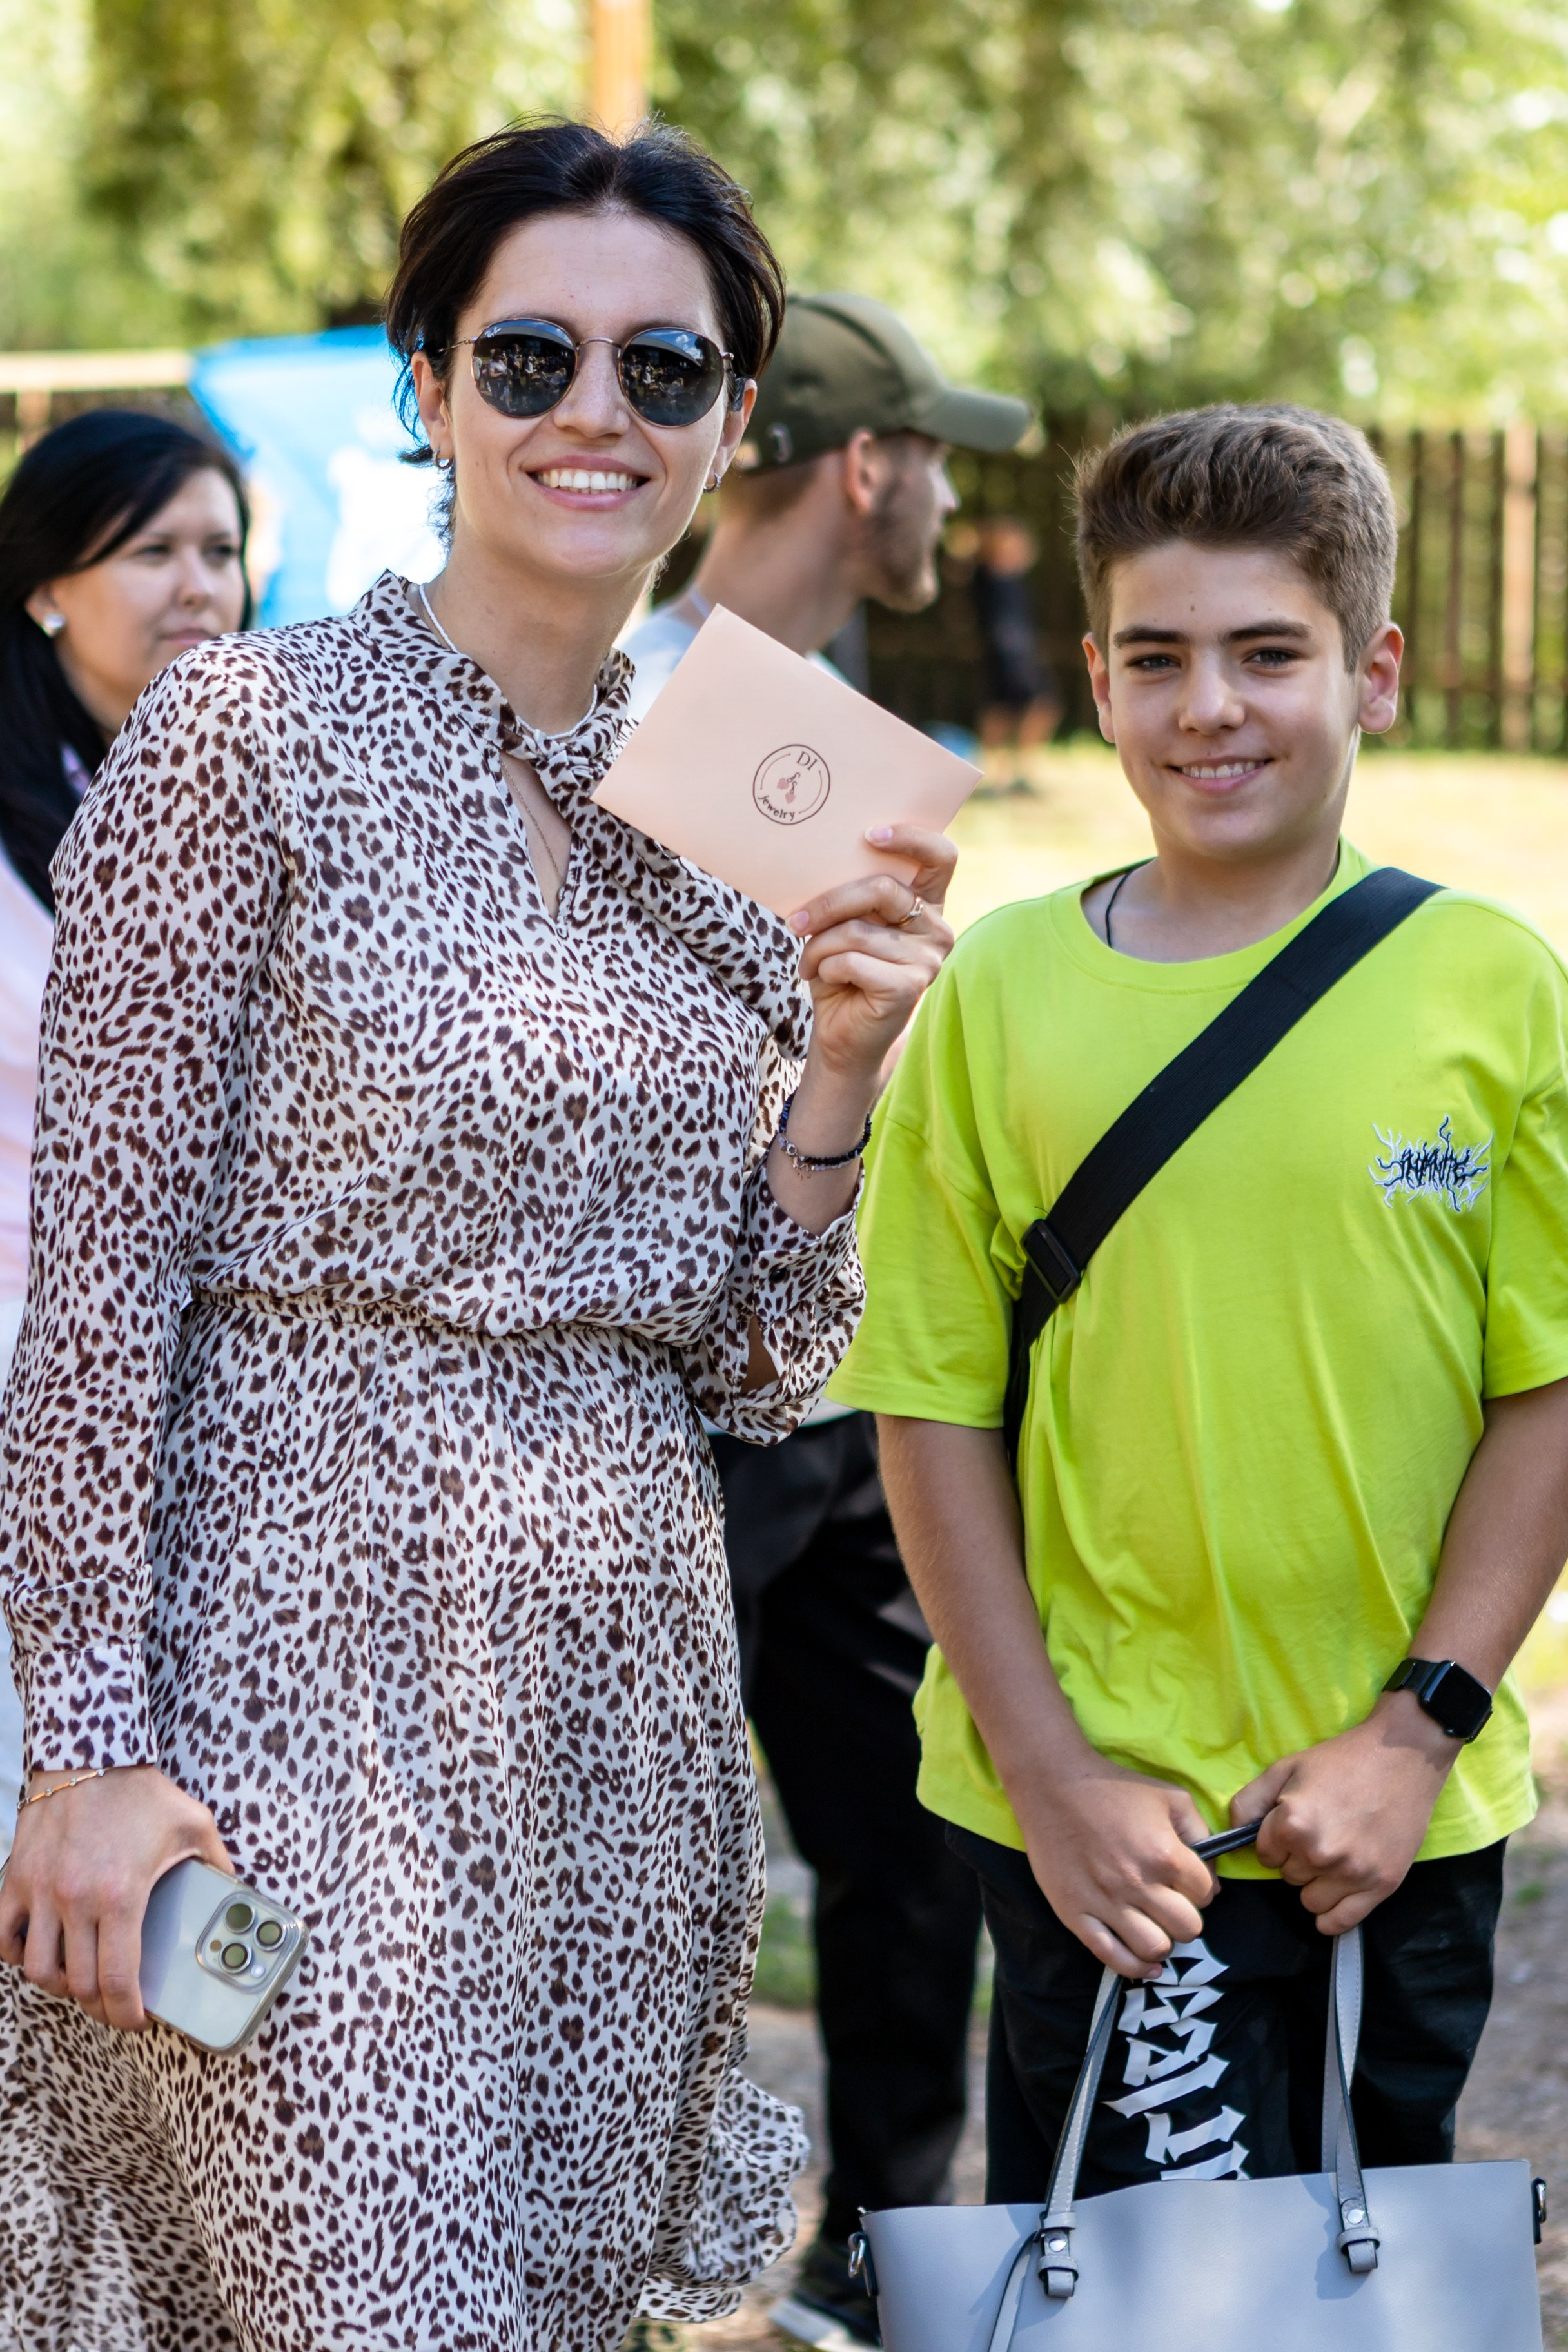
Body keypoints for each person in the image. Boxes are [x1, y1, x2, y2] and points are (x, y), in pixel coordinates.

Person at [0, 122, 957, 2352]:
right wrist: (84, 1744)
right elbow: (97, 1285)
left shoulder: (758, 789)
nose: (591, 411)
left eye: (661, 367)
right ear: (429, 388)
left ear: (732, 418)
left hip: (614, 1714)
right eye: (529, 356)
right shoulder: (246, 735)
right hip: (283, 1683)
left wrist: (839, 1071)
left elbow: (759, 1357)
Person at [832, 405, 1568, 2203]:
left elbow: (1545, 1392)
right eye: (1156, 658)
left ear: (1372, 671)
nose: (1208, 707)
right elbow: (929, 1407)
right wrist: (1049, 1774)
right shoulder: (1002, 991)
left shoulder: (1490, 988)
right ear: (1095, 680)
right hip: (1103, 1828)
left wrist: (1416, 1730)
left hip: (1386, 1819)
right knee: (1122, 2293)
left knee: (1363, 2281)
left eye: (1267, 654)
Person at [622, 295, 1028, 2350]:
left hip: (861, 1376)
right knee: (630, 1849)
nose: (949, 496)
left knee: (907, 1829)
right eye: (936, 456)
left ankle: (883, 2253)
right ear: (866, 466)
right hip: (676, 1395)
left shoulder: (840, 723)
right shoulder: (630, 700)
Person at [0, 409, 250, 1854]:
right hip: (33, 1366)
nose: (198, 586)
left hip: (220, 1386)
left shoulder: (254, 801)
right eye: (152, 551)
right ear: (46, 585)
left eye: (221, 548)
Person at [970, 515, 1060, 791]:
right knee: (1011, 711)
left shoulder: (1010, 580)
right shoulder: (990, 580)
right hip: (1009, 657)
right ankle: (1003, 775)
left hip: (1016, 656)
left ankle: (1008, 774)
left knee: (1010, 710)